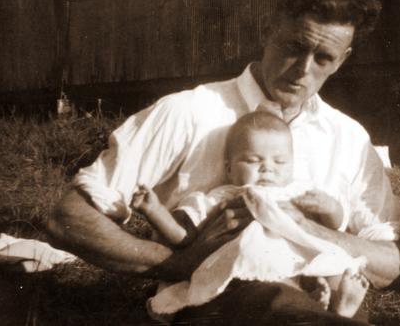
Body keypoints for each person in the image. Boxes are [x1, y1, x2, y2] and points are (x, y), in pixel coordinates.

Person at [47, 0, 400, 324]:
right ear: (268, 30)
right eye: (295, 46)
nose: (303, 70)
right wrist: (180, 263)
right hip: (220, 306)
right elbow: (68, 218)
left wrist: (299, 226)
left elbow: (390, 262)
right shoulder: (190, 112)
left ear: (342, 61)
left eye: (323, 58)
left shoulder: (347, 139)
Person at [132, 111, 369, 320]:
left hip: (301, 262)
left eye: (280, 161)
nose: (268, 168)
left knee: (335, 266)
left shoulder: (295, 192)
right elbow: (182, 236)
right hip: (248, 265)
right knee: (268, 287)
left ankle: (337, 309)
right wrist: (155, 211)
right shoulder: (221, 196)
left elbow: (335, 226)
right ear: (229, 169)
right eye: (253, 160)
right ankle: (328, 312)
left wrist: (330, 208)